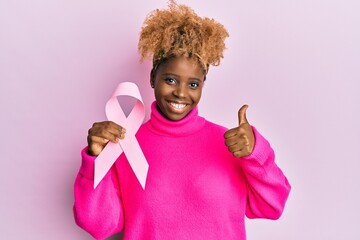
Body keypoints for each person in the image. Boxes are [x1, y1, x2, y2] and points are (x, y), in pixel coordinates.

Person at [73, 1, 291, 239]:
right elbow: (98, 225)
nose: (181, 93)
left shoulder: (231, 143)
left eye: (193, 84)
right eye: (170, 80)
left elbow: (273, 206)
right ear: (153, 77)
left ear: (203, 85)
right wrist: (96, 160)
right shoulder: (126, 145)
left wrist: (256, 153)